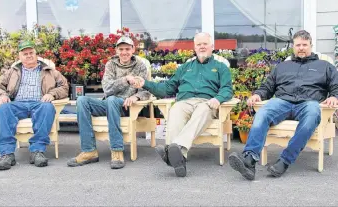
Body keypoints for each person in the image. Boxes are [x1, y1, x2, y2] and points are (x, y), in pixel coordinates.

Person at [229, 30, 338, 180]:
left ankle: (285, 161)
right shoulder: (282, 66)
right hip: (282, 102)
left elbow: (335, 85)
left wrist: (334, 96)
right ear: (293, 46)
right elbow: (268, 86)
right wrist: (258, 94)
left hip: (309, 103)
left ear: (311, 45)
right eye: (298, 45)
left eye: (304, 45)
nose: (301, 48)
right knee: (262, 113)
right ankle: (249, 160)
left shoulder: (325, 66)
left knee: (312, 115)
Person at [133, 32, 233, 177]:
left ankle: (172, 152)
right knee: (175, 110)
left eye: (205, 44)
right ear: (194, 47)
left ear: (212, 46)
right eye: (199, 44)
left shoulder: (221, 67)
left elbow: (227, 89)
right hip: (185, 102)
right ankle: (179, 158)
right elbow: (166, 89)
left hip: (206, 103)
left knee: (203, 110)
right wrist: (145, 83)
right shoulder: (185, 67)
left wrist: (218, 99)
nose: (202, 47)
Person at [67, 36, 150, 169]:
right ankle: (89, 151)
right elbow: (107, 88)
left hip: (126, 106)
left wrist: (137, 97)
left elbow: (147, 90)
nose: (124, 52)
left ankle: (117, 150)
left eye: (127, 49)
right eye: (121, 49)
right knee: (82, 100)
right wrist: (125, 80)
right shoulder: (111, 64)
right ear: (116, 50)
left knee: (112, 100)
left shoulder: (140, 66)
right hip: (108, 103)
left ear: (133, 49)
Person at [0, 40, 69, 170]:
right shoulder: (12, 71)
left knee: (48, 107)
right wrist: (2, 95)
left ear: (36, 55)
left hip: (39, 103)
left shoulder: (49, 71)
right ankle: (7, 154)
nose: (29, 56)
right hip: (17, 104)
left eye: (31, 53)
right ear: (20, 57)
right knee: (3, 109)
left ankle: (37, 151)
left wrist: (52, 94)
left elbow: (64, 86)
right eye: (25, 54)